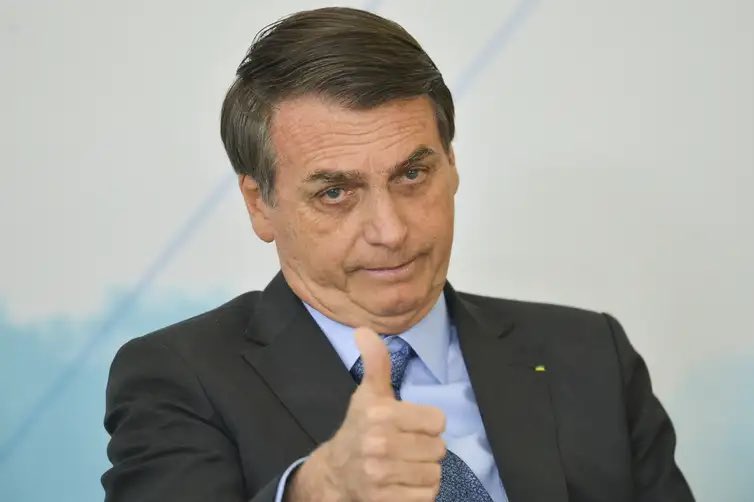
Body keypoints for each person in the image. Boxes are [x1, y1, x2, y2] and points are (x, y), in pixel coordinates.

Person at [101, 7, 694, 502]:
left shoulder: (589, 354)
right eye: (335, 192)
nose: (390, 231)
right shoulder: (179, 378)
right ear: (260, 204)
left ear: (452, 165)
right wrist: (316, 492)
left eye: (412, 174)